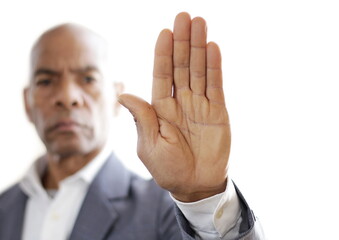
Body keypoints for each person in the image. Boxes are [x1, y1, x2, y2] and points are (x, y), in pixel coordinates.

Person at [0, 12, 264, 240]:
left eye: (88, 78)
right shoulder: (4, 209)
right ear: (27, 102)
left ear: (115, 97)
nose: (68, 96)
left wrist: (203, 197)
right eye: (46, 81)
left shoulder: (165, 209)